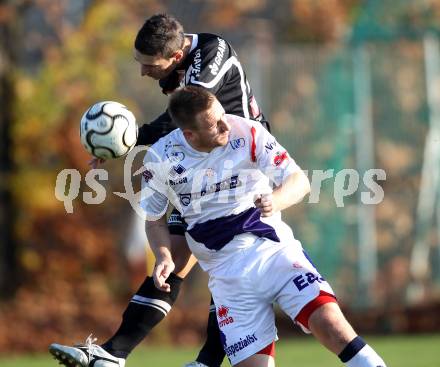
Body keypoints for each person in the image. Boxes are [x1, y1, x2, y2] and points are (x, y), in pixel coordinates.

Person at [50, 13, 270, 367]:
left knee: (225, 264)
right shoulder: (175, 69)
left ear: (177, 56)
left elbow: (189, 117)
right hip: (207, 174)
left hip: (244, 170)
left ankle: (199, 360)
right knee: (176, 258)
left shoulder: (212, 52)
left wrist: (128, 139)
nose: (142, 72)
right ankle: (114, 354)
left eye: (149, 65)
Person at [143, 86, 387, 367]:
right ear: (190, 135)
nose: (226, 124)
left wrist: (276, 200)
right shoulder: (161, 158)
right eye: (215, 124)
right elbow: (154, 220)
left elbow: (300, 181)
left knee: (332, 326)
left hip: (275, 254)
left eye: (223, 115)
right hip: (227, 277)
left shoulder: (247, 132)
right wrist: (163, 254)